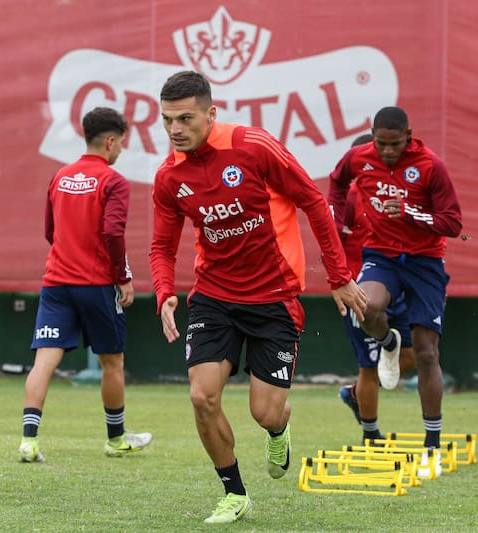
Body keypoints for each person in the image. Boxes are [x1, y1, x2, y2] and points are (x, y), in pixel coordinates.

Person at [149, 71, 368, 524]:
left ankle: (279, 428)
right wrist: (166, 293)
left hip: (275, 298)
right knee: (202, 396)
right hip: (213, 297)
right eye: (167, 119)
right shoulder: (169, 176)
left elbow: (312, 200)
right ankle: (234, 493)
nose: (175, 129)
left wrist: (339, 276)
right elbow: (161, 245)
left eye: (185, 118)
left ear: (211, 114)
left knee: (264, 413)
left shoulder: (253, 146)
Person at [328, 107, 463, 477]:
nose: (387, 151)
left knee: (425, 352)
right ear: (372, 135)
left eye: (395, 144)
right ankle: (387, 340)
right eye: (381, 143)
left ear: (409, 136)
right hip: (382, 255)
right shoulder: (359, 157)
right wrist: (335, 221)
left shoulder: (430, 166)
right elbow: (337, 183)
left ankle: (431, 445)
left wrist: (408, 212)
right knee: (366, 306)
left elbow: (453, 223)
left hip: (424, 261)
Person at [18, 107, 152, 463]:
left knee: (44, 361)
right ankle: (116, 439)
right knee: (113, 361)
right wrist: (123, 277)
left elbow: (50, 232)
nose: (121, 150)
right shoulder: (114, 181)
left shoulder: (60, 176)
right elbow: (112, 233)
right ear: (110, 141)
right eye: (121, 143)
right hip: (95, 285)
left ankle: (28, 441)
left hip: (56, 283)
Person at [335, 133, 416, 443]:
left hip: (398, 287)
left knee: (408, 358)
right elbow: (332, 245)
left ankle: (356, 394)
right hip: (362, 292)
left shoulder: (397, 194)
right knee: (369, 364)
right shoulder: (350, 198)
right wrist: (340, 284)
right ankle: (371, 434)